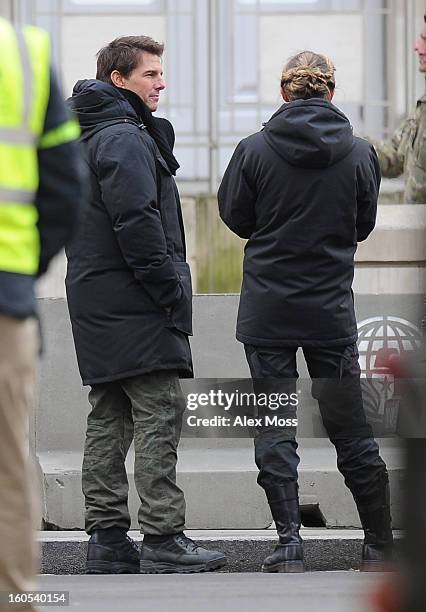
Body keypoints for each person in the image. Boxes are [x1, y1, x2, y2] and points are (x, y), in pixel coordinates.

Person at [218, 50, 393, 573]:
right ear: (332, 93)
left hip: (268, 312)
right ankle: (378, 545)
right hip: (330, 311)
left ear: (284, 93)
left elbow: (235, 215)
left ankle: (290, 543)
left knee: (274, 424)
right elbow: (361, 226)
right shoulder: (361, 153)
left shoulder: (253, 150)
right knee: (351, 426)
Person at [66, 35, 226, 575]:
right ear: (119, 80)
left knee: (108, 417)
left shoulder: (85, 136)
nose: (161, 83)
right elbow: (137, 221)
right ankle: (163, 535)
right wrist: (170, 290)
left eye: (160, 73)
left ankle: (107, 539)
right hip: (135, 298)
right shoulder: (125, 138)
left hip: (95, 295)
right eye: (150, 74)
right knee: (159, 412)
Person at [0, 16, 82, 612]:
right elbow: (63, 190)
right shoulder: (23, 52)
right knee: (6, 464)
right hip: (4, 298)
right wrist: (20, 278)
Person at [368, 13, 426, 204]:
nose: (417, 47)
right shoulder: (422, 109)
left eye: (424, 39)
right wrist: (349, 141)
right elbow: (393, 158)